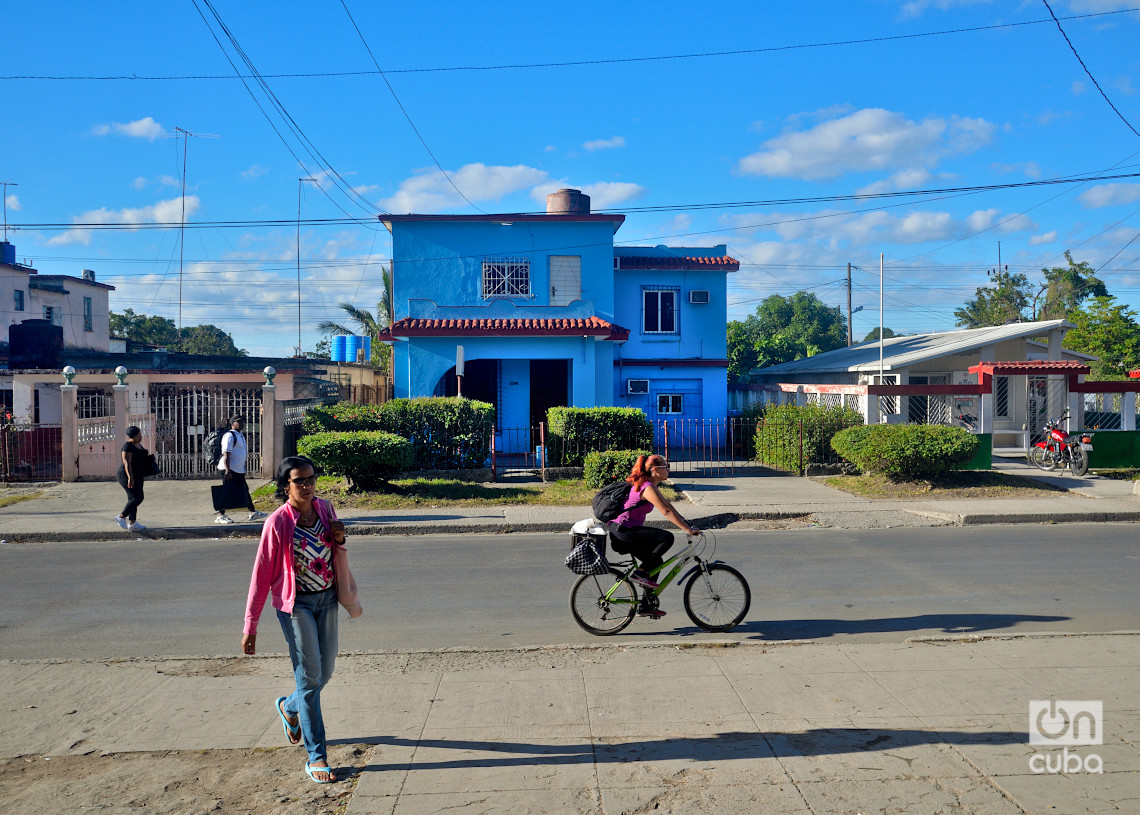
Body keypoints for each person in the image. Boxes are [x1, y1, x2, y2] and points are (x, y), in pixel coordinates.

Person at [241, 455, 347, 784]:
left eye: (311, 479)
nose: (307, 486)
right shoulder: (277, 523)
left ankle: (289, 706)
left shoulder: (326, 510)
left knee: (324, 672)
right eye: (299, 481)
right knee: (309, 679)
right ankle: (317, 757)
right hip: (295, 606)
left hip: (328, 600)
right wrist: (251, 627)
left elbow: (336, 551)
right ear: (286, 486)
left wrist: (340, 539)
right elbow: (260, 578)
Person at [608, 454, 700, 619]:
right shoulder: (647, 487)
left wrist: (687, 523)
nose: (668, 470)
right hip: (623, 532)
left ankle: (645, 606)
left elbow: (668, 505)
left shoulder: (651, 486)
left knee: (656, 562)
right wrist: (687, 530)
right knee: (666, 538)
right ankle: (640, 573)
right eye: (666, 467)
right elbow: (665, 512)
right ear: (656, 470)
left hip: (623, 531)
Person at [214, 415, 266, 524]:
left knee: (244, 490)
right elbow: (226, 454)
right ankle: (220, 516)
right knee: (227, 492)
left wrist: (242, 468)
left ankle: (252, 512)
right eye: (239, 422)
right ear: (233, 424)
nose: (242, 424)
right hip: (229, 469)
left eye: (243, 422)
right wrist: (228, 471)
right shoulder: (229, 436)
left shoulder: (240, 435)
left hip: (237, 469)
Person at [114, 425, 149, 531]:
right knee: (137, 497)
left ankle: (132, 523)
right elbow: (127, 463)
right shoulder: (127, 447)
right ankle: (121, 517)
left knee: (132, 498)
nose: (140, 437)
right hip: (126, 474)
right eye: (138, 436)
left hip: (138, 474)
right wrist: (130, 478)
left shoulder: (138, 444)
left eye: (140, 435)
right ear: (132, 436)